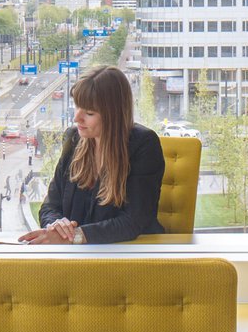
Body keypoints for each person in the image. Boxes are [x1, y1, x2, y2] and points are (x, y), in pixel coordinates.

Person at [20, 65, 165, 245]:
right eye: (77, 107)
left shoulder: (144, 144)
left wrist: (76, 236)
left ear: (113, 115)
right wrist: (56, 226)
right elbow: (50, 206)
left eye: (89, 113)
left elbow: (134, 221)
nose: (77, 118)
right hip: (76, 255)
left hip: (126, 254)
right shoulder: (74, 139)